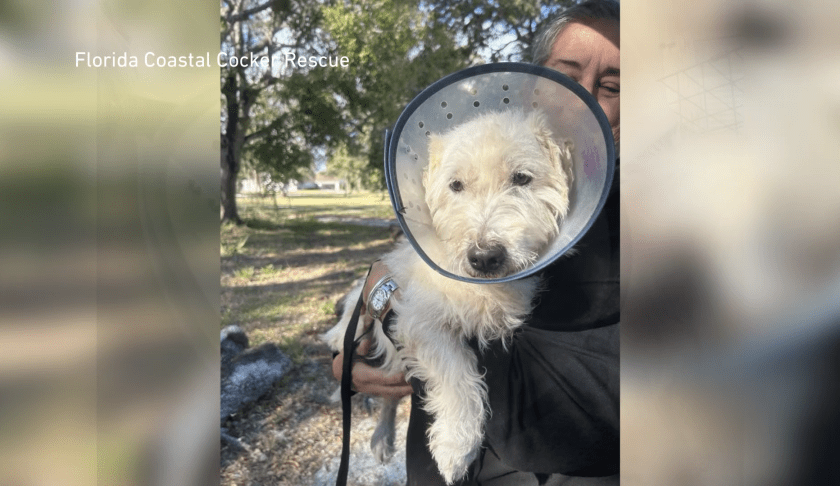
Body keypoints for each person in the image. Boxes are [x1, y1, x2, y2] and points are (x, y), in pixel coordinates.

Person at [331, 1, 620, 484]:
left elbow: (590, 405)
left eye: (611, 87)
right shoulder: (488, 144)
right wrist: (347, 353)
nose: (580, 101)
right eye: (563, 76)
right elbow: (384, 291)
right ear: (531, 84)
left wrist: (387, 301)